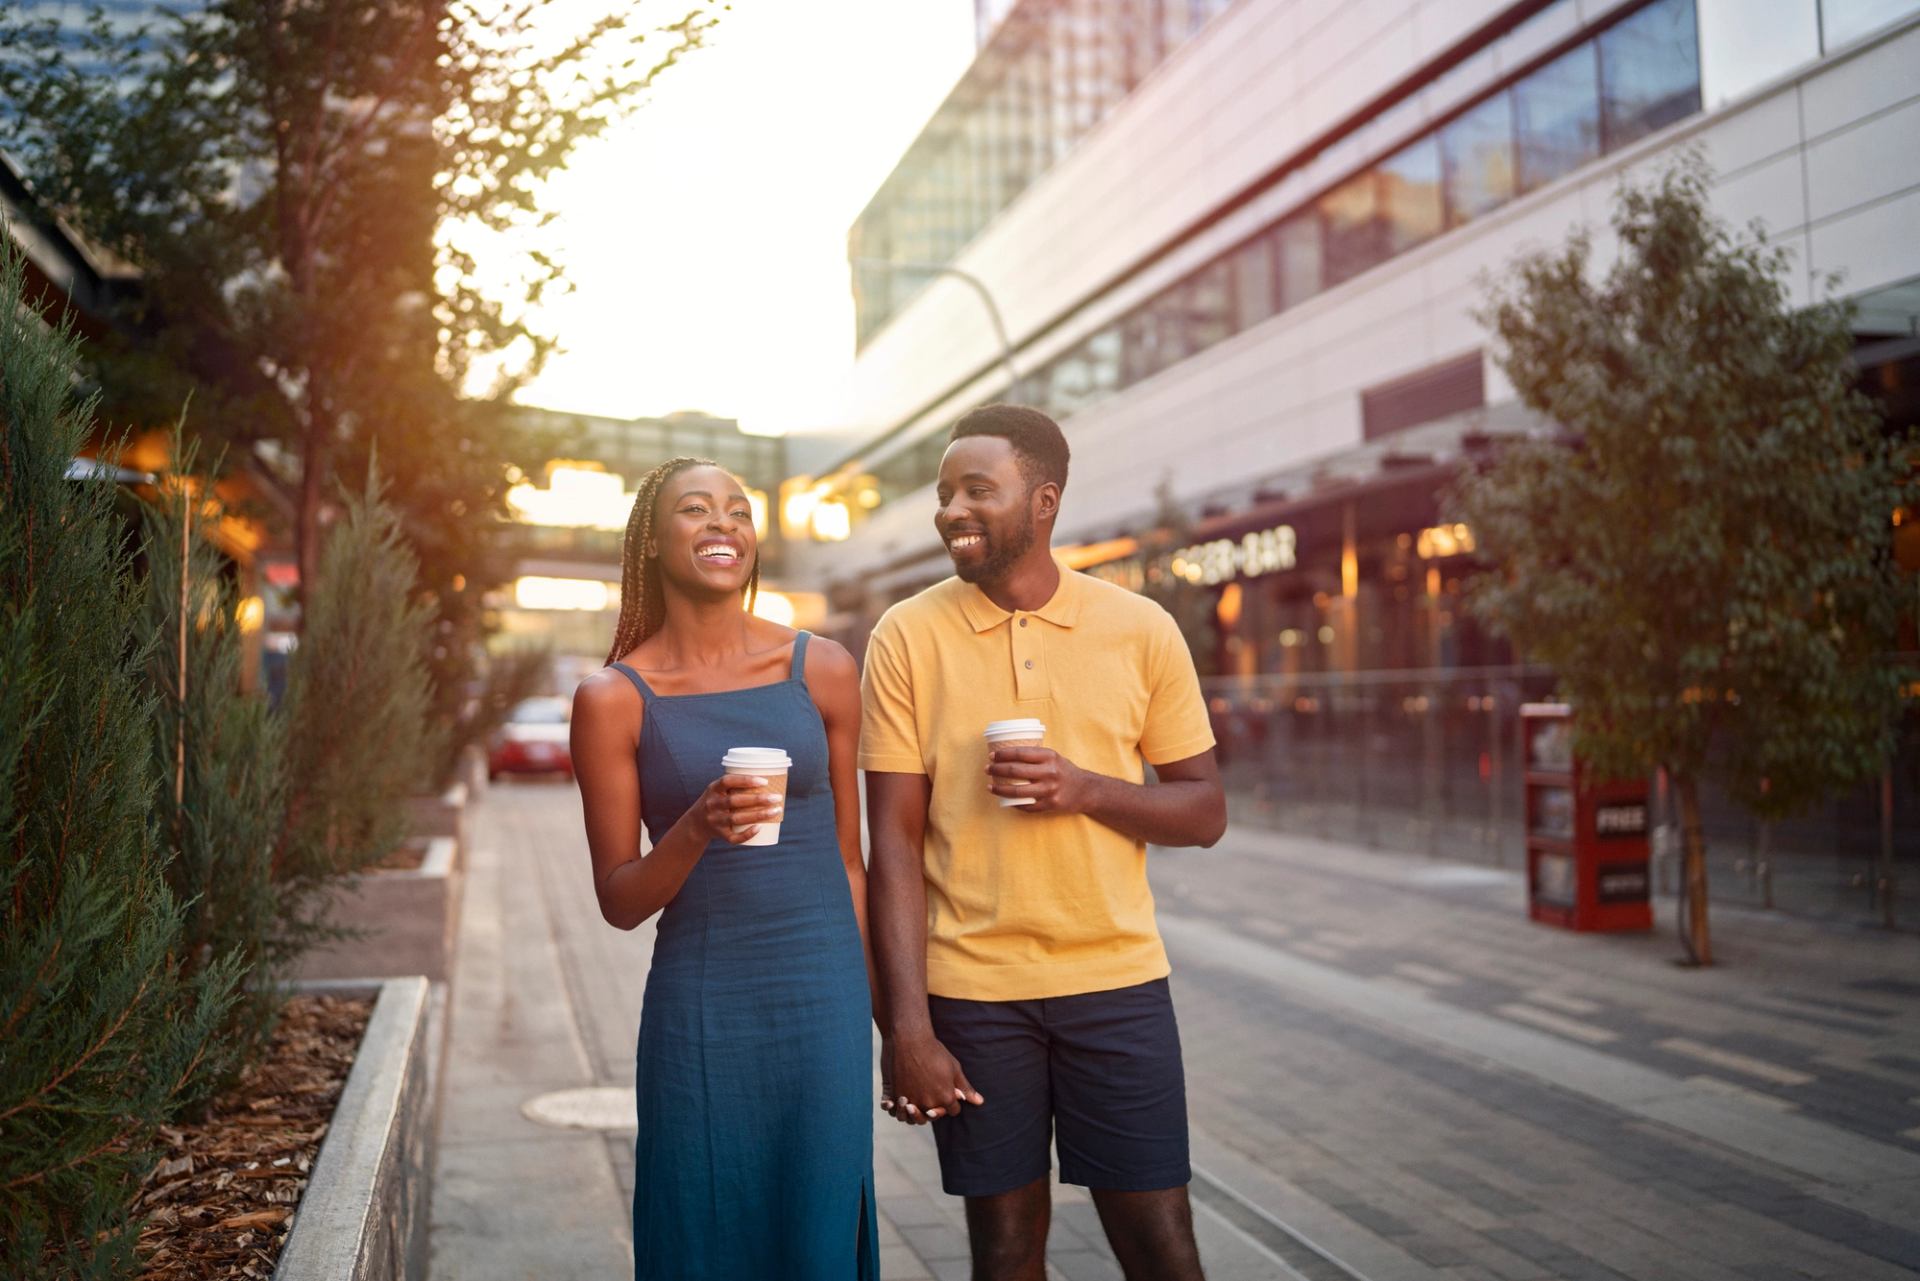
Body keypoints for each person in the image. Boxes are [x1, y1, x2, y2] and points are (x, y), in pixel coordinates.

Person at [861, 405, 1227, 1281]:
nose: (952, 509)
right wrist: (906, 1027)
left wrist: (1086, 787)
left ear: (1044, 501)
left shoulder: (1141, 629)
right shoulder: (905, 635)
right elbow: (894, 845)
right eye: (945, 492)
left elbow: (1204, 809)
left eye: (977, 489)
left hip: (1118, 984)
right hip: (975, 997)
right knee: (1006, 1252)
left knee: (1163, 1246)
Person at [571, 457, 879, 1281]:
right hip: (702, 1011)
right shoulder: (613, 697)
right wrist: (697, 826)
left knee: (817, 1235)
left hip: (826, 1008)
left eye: (739, 511)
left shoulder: (824, 668)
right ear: (651, 542)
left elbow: (852, 864)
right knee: (703, 1229)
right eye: (695, 509)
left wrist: (892, 1020)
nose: (722, 523)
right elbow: (618, 899)